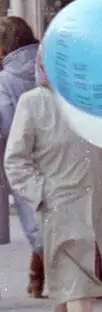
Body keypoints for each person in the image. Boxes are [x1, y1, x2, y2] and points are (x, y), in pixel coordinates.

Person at [4, 53, 102, 312]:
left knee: (72, 279)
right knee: (75, 278)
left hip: (93, 202)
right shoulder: (33, 102)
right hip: (59, 205)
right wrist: (41, 194)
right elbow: (15, 160)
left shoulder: (89, 102)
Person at [0, 15, 45, 297]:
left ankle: (44, 270)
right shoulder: (47, 66)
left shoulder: (6, 79)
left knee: (32, 213)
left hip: (22, 156)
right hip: (57, 150)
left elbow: (5, 121)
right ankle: (37, 275)